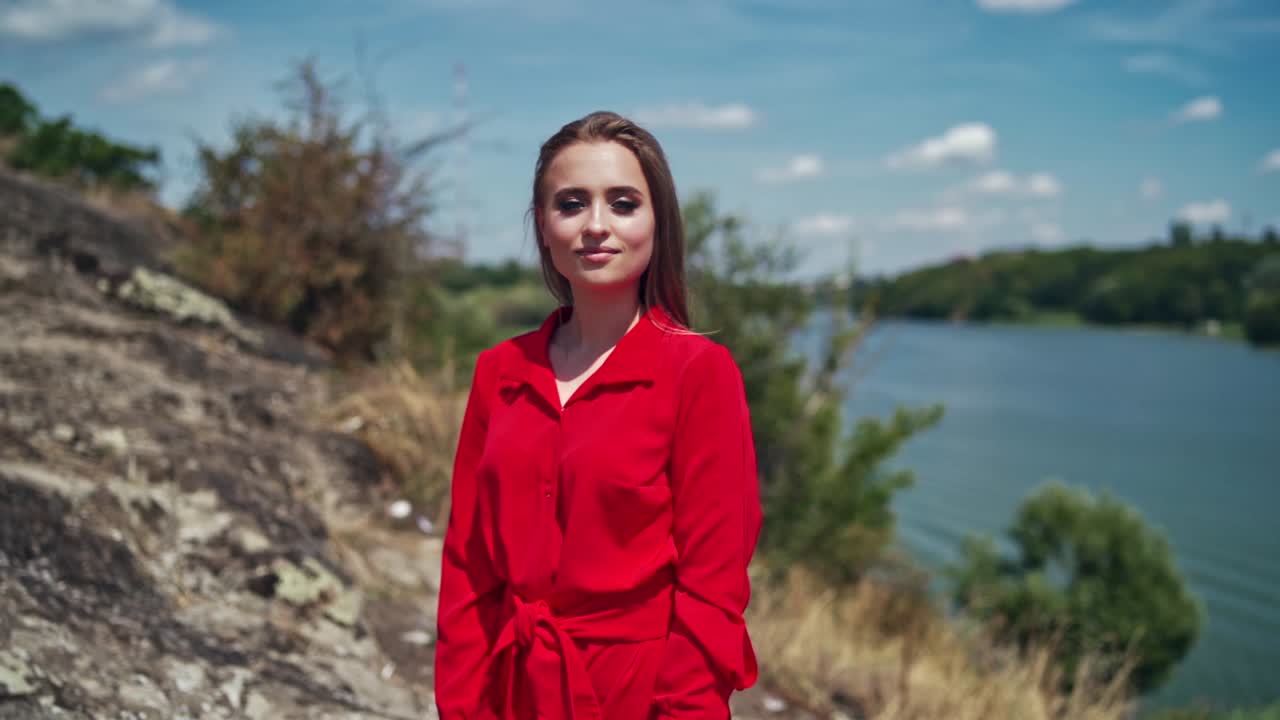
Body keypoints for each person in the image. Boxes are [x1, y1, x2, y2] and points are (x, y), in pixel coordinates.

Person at [434, 111, 762, 720]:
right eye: (571, 203)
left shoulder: (698, 372)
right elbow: (469, 568)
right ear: (543, 226)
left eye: (623, 202)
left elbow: (713, 586)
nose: (596, 226)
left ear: (658, 222)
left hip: (637, 696)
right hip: (511, 690)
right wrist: (462, 707)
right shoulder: (498, 374)